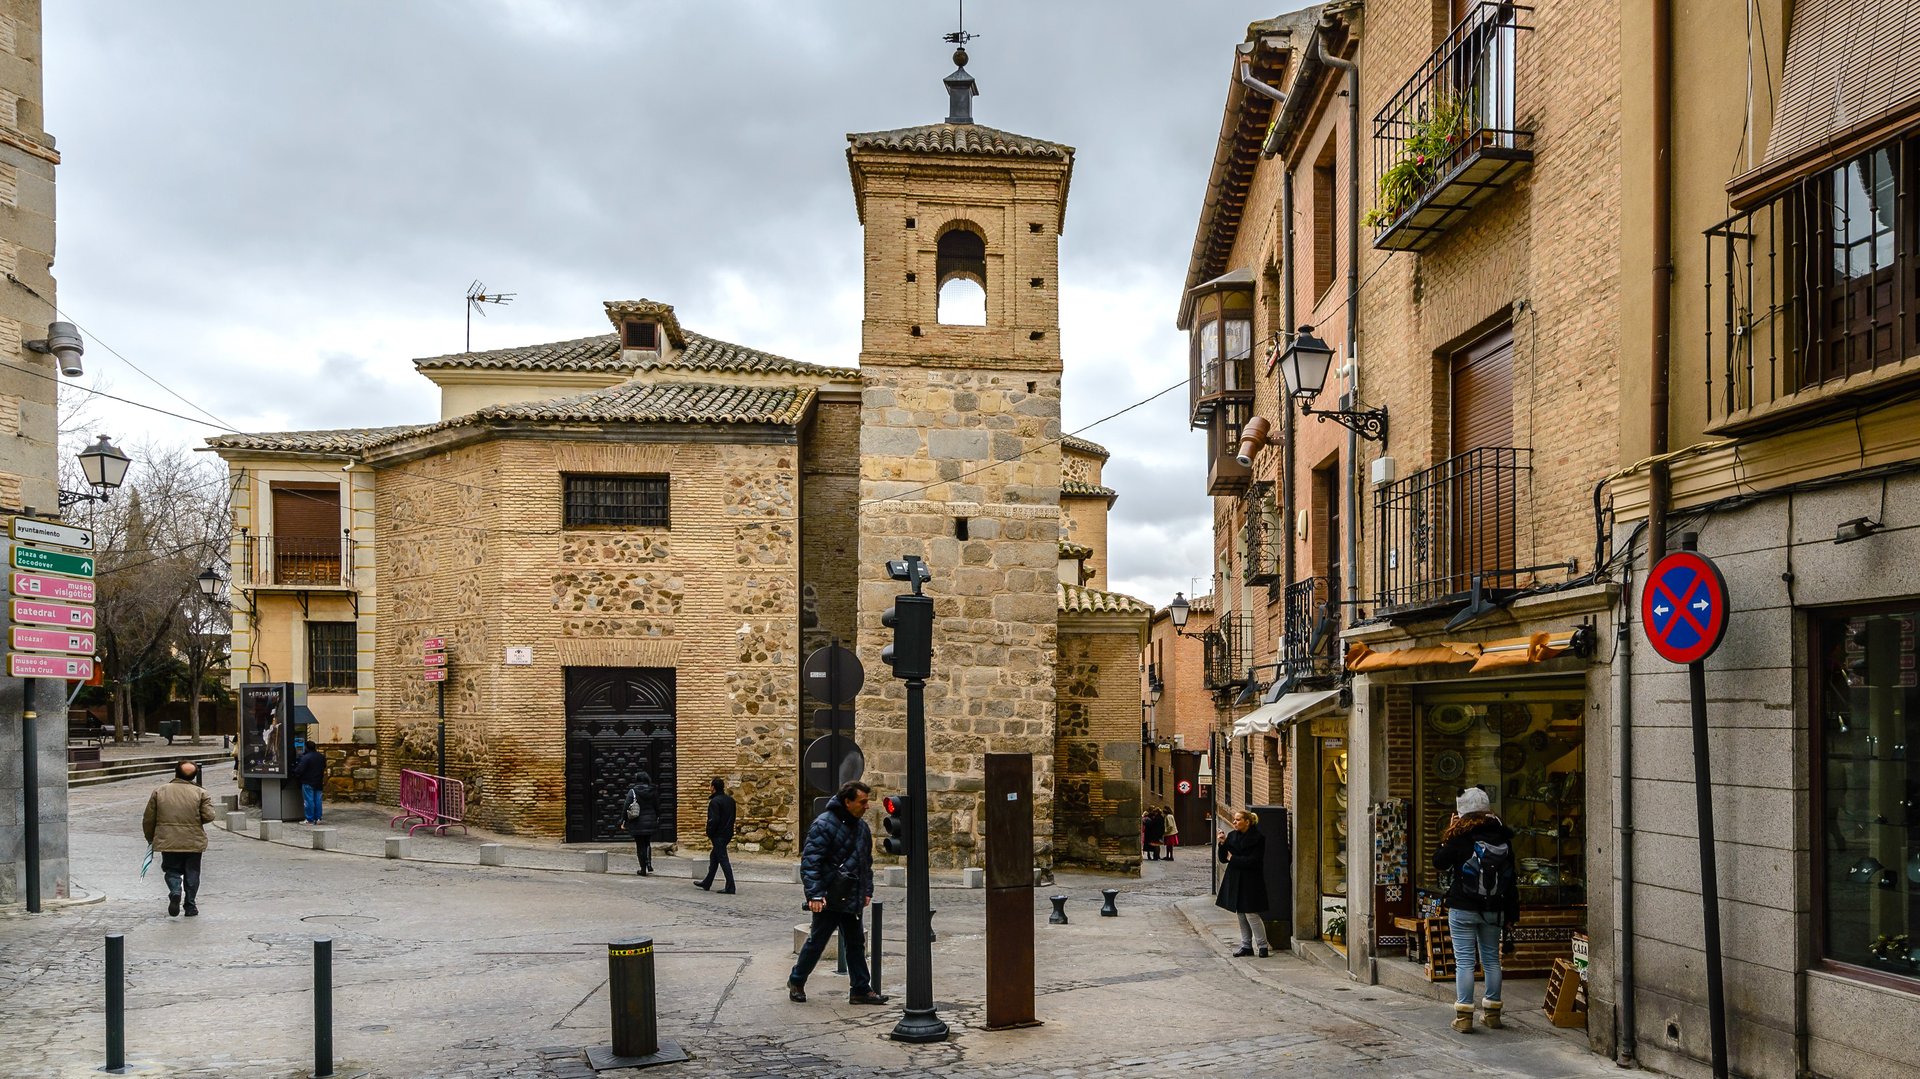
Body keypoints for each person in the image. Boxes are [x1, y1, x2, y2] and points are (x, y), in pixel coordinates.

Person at [788, 781, 887, 1005]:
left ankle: (860, 989)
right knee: (817, 942)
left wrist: (867, 890)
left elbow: (865, 863)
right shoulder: (823, 825)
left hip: (852, 895)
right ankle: (796, 981)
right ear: (847, 802)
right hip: (829, 896)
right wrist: (814, 895)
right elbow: (811, 863)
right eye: (862, 802)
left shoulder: (862, 828)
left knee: (855, 943)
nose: (867, 806)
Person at [1434, 786, 1519, 1033]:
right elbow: (1512, 881)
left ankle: (1464, 1016)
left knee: (1465, 961)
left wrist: (1448, 836)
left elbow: (1439, 862)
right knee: (1492, 959)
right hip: (1494, 908)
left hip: (1463, 907)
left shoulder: (1461, 837)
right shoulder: (1503, 838)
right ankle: (1492, 1013)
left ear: (1461, 812)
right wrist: (1512, 916)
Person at [143, 761, 216, 917]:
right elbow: (209, 815)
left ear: (175, 773)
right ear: (195, 775)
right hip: (193, 840)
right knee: (193, 872)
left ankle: (175, 890)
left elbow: (149, 818)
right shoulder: (200, 793)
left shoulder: (160, 791)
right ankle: (190, 905)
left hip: (168, 840)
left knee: (171, 870)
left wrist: (150, 837)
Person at [1215, 809, 1271, 957]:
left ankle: (1262, 945)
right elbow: (1223, 858)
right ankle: (1246, 945)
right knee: (1240, 913)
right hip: (1235, 878)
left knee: (1251, 913)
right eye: (1234, 819)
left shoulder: (1258, 838)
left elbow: (1254, 861)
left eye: (1238, 819)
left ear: (1247, 822)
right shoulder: (1232, 836)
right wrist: (1221, 843)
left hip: (1251, 879)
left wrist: (1233, 858)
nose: (1234, 822)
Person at [695, 777, 737, 894]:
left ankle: (730, 886)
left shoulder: (715, 802)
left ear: (713, 787)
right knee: (714, 857)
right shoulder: (730, 800)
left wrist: (709, 832)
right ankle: (707, 882)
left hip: (718, 835)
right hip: (727, 833)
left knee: (723, 859)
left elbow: (713, 820)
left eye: (710, 786)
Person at [624, 771, 659, 875]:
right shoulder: (653, 790)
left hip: (637, 822)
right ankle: (649, 863)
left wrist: (623, 820)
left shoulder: (633, 791)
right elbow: (657, 806)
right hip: (650, 821)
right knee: (647, 842)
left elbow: (626, 806)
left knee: (640, 845)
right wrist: (657, 817)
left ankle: (643, 869)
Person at [293, 742, 328, 824]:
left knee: (309, 801)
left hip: (308, 781)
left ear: (306, 747)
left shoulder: (306, 758)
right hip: (318, 781)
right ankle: (318, 818)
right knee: (318, 800)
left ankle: (310, 819)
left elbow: (299, 770)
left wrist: (294, 771)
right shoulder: (321, 756)